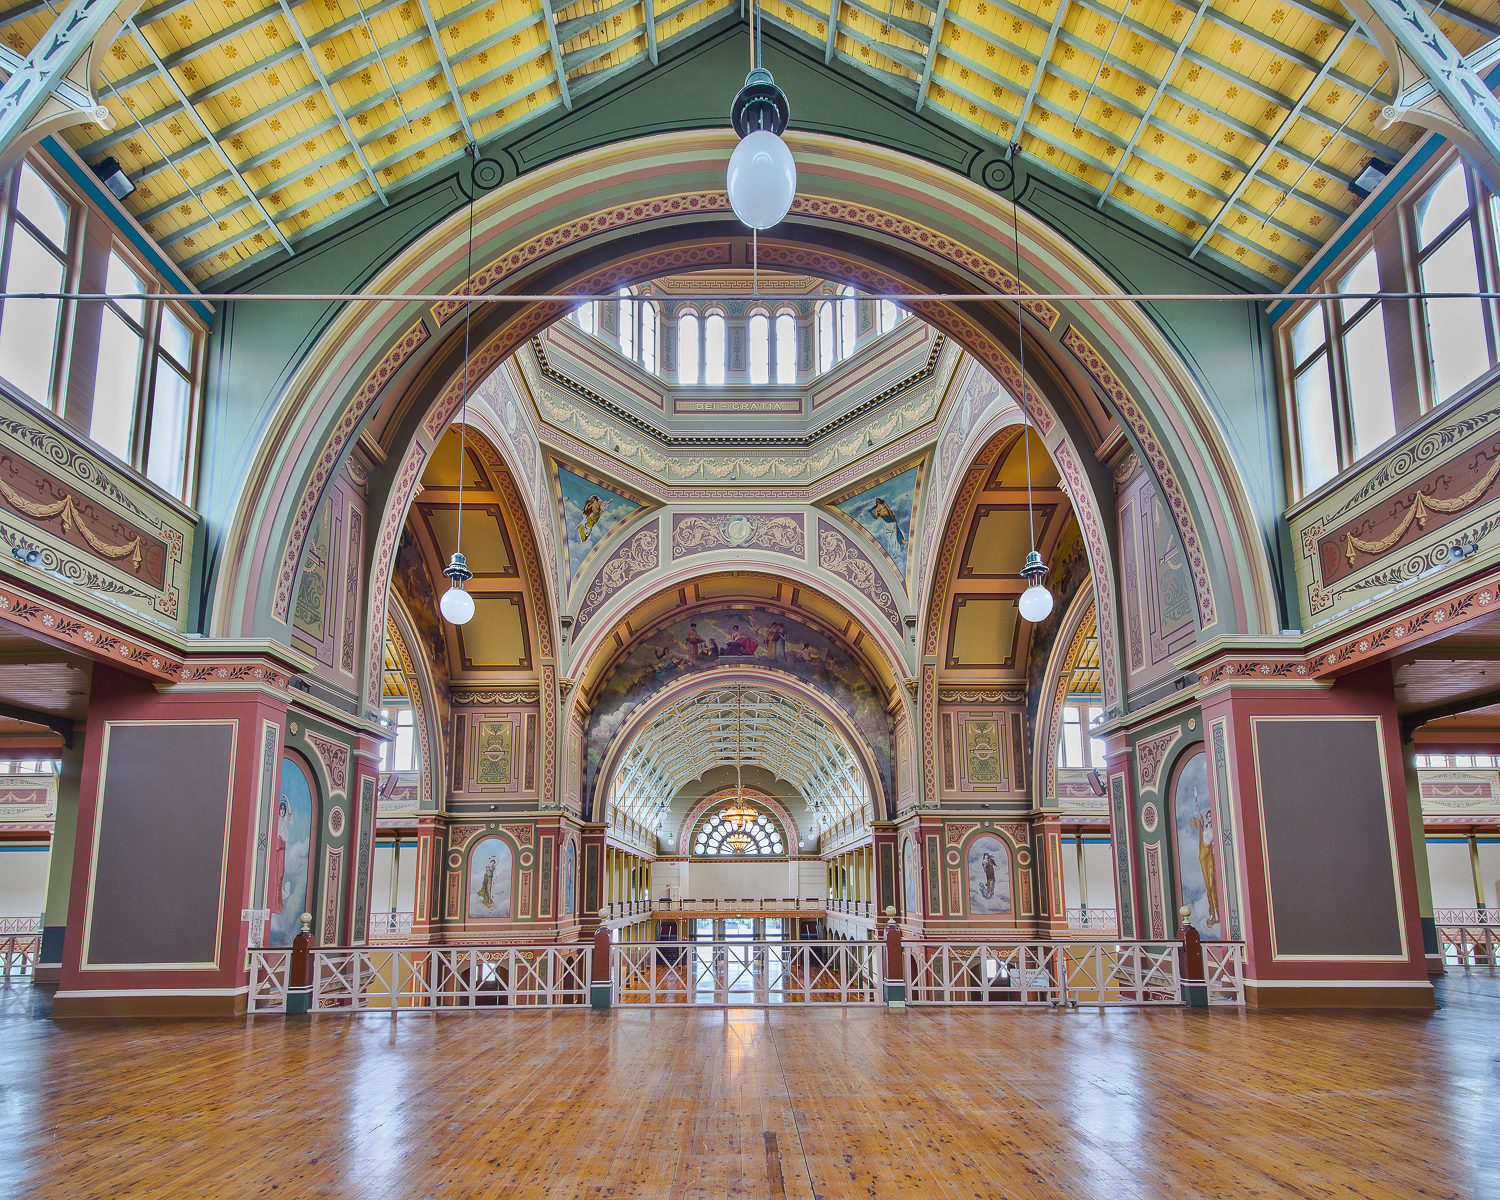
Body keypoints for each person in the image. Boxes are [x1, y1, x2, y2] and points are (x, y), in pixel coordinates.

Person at [268, 796, 289, 914]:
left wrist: (287, 799)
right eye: (280, 809)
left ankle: (277, 903)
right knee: (274, 876)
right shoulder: (275, 822)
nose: (282, 811)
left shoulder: (285, 821)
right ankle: (272, 903)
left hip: (281, 852)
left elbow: (290, 812)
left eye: (283, 809)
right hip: (275, 853)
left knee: (280, 876)